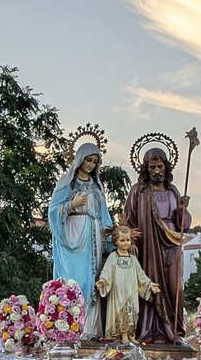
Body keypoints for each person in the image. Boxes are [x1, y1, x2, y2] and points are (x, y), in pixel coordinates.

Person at [123, 145, 191, 343]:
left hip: (171, 243)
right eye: (152, 167)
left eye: (160, 166)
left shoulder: (173, 191)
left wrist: (182, 209)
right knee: (150, 286)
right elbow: (128, 220)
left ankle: (174, 330)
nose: (156, 171)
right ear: (145, 168)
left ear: (166, 168)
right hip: (148, 246)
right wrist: (133, 240)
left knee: (175, 287)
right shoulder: (138, 191)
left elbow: (184, 225)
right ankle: (149, 331)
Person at [48, 141, 114, 338]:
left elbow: (104, 215)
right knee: (73, 281)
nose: (91, 165)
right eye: (88, 160)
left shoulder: (96, 186)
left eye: (95, 162)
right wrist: (71, 205)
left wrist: (114, 237)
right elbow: (53, 212)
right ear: (79, 159)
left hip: (94, 236)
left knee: (92, 279)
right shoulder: (67, 183)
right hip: (72, 235)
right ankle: (68, 328)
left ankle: (90, 330)